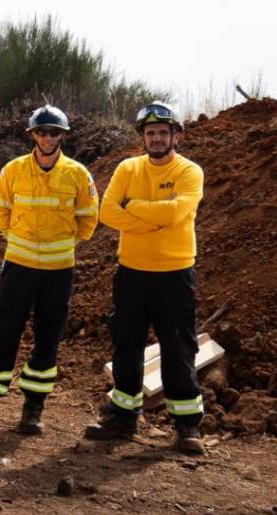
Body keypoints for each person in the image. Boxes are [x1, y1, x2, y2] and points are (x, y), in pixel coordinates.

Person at [0, 106, 97, 436]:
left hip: (58, 271)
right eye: (42, 132)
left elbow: (88, 220)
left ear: (62, 136)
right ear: (32, 136)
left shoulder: (78, 175)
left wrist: (58, 244)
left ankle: (33, 408)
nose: (47, 138)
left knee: (47, 340)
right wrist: (20, 239)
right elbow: (0, 211)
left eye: (54, 132)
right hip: (19, 268)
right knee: (3, 335)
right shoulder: (13, 171)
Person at [85, 102, 206, 455]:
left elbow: (178, 211)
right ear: (143, 137)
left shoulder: (189, 172)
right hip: (132, 273)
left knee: (178, 348)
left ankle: (187, 425)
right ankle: (123, 416)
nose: (156, 138)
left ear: (175, 135)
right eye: (150, 133)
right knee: (126, 346)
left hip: (174, 274)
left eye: (163, 133)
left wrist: (133, 207)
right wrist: (154, 217)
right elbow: (107, 211)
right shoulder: (128, 168)